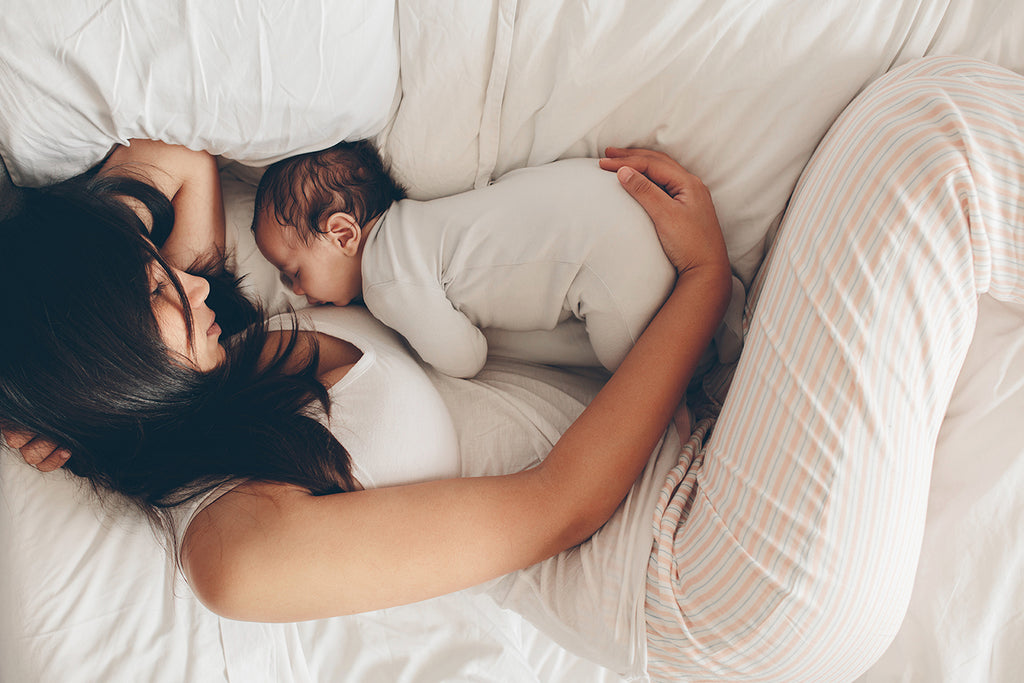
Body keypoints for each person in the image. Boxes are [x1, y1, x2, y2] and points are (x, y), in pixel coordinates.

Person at [5, 55, 1022, 682]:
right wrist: (702, 279)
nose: (186, 287)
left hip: (704, 454)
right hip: (703, 573)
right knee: (935, 145)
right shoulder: (232, 545)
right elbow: (558, 504)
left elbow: (171, 159)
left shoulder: (216, 338)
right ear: (98, 389)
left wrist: (87, 272)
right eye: (154, 302)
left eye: (158, 274)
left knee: (937, 140)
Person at [251, 140, 739, 377]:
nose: (294, 290)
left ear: (341, 234)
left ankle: (705, 371)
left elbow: (465, 358)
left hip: (605, 250)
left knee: (641, 376)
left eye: (293, 272)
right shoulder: (419, 221)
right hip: (606, 194)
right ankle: (730, 306)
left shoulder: (385, 280)